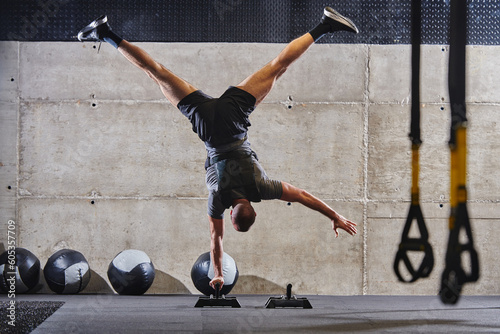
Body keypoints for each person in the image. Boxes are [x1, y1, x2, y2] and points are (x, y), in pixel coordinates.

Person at [77, 6, 359, 291]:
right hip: (208, 126)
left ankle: (325, 25)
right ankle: (105, 33)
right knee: (156, 73)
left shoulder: (262, 188)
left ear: (254, 210)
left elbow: (302, 196)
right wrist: (219, 274)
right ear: (232, 218)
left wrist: (334, 215)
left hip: (234, 117)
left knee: (277, 67)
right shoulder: (218, 198)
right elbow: (216, 242)